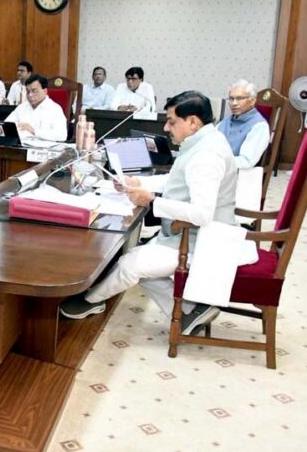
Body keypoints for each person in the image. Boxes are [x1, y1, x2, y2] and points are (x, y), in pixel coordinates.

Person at [59, 91, 238, 335]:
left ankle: (90, 300)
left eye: (172, 122)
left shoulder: (207, 156)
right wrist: (139, 183)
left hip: (203, 243)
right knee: (137, 257)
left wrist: (152, 201)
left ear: (193, 122)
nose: (166, 127)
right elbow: (177, 180)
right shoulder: (204, 142)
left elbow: (201, 214)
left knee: (131, 264)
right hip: (187, 235)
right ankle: (190, 312)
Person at [216, 79, 269, 170]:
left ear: (252, 101)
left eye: (239, 99)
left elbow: (246, 162)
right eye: (231, 99)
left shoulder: (259, 126)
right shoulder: (225, 121)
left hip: (236, 173)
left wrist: (215, 162)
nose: (234, 103)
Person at [4, 75, 67, 141]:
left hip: (41, 146)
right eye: (28, 91)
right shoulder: (22, 107)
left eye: (34, 91)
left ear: (45, 91)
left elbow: (62, 136)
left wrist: (34, 131)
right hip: (19, 144)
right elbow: (6, 125)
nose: (30, 95)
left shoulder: (54, 109)